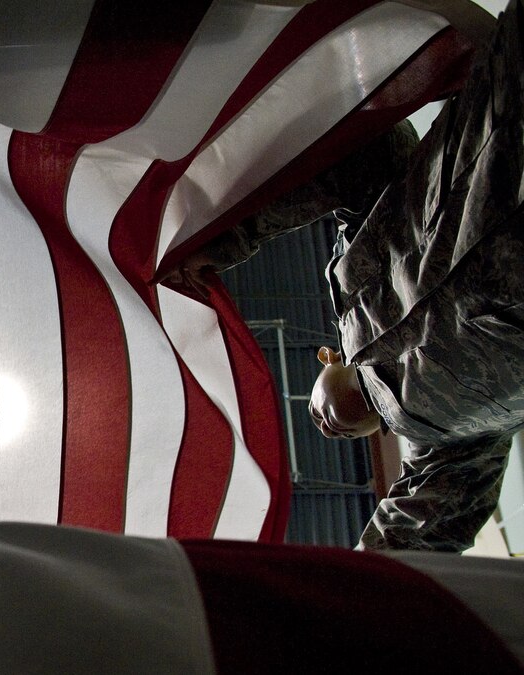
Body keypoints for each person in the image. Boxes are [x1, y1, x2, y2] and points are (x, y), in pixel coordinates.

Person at [171, 0, 523, 552]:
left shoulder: (353, 275)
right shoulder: (448, 448)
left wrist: (221, 241)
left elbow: (367, 148)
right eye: (331, 430)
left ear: (327, 356)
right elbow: (396, 555)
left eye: (311, 409)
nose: (323, 425)